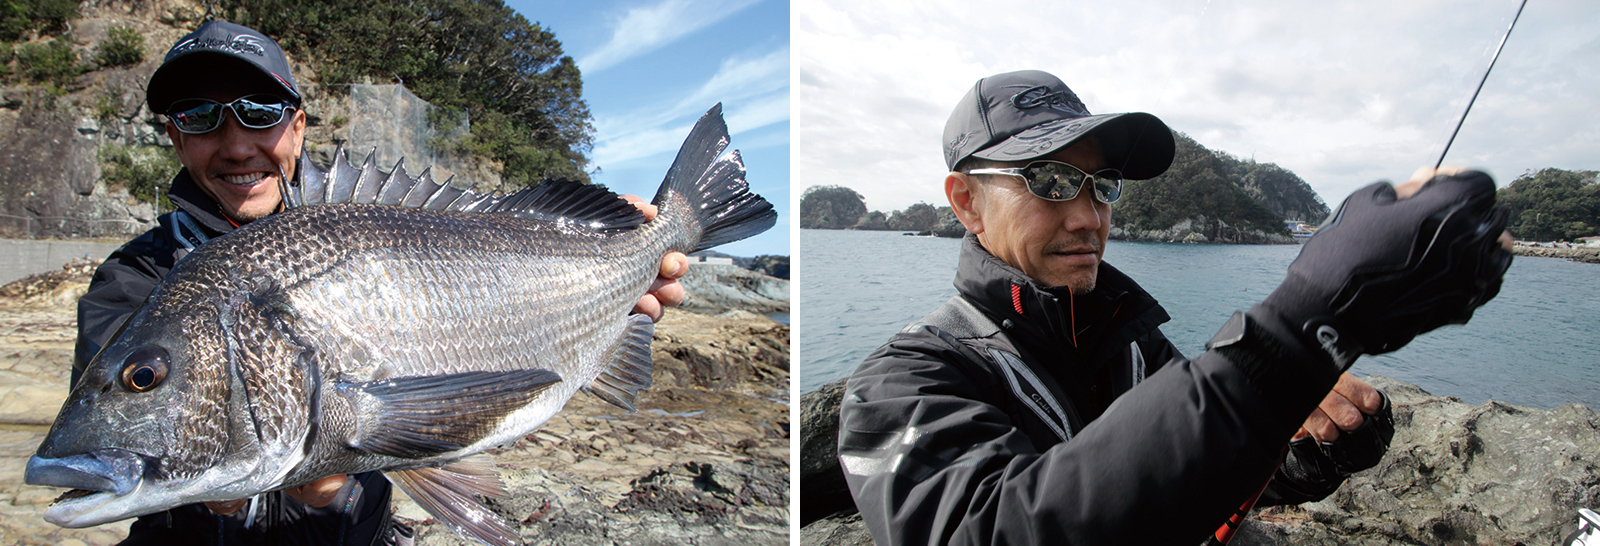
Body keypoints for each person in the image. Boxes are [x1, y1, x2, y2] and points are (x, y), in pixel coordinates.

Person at [73, 20, 689, 545]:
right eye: (199, 116)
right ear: (176, 136)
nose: (235, 145)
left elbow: (508, 380)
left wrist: (614, 259)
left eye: (259, 113)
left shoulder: (348, 225)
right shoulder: (133, 280)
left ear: (297, 127)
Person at [836, 69, 1511, 545]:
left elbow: (1186, 471)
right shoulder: (900, 382)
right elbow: (992, 529)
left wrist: (1315, 444)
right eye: (1048, 180)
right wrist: (1288, 340)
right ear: (965, 202)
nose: (1086, 216)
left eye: (1102, 186)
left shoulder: (1129, 342)